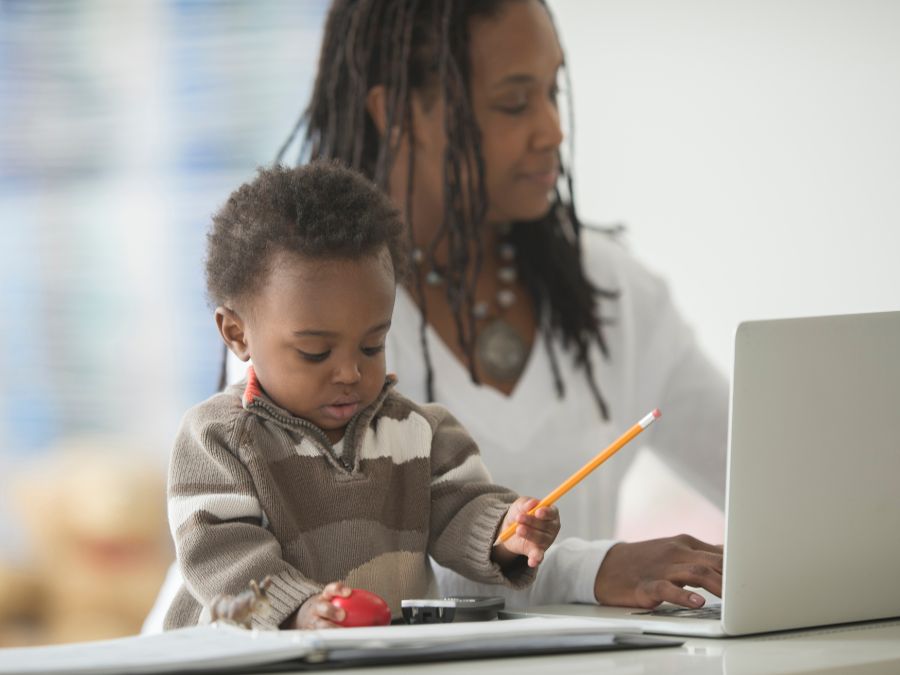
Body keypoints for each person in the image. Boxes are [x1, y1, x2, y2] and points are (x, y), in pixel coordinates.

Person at [144, 0, 727, 632]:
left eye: (551, 91)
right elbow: (414, 580)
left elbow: (457, 514)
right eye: (512, 102)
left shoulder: (608, 295)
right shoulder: (295, 320)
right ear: (397, 110)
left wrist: (507, 531)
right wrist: (592, 569)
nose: (553, 130)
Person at [163, 162, 560, 630]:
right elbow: (222, 558)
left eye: (372, 345)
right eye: (315, 352)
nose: (350, 371)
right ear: (236, 333)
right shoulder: (218, 440)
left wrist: (508, 531)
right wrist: (299, 609)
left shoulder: (421, 434)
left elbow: (463, 509)